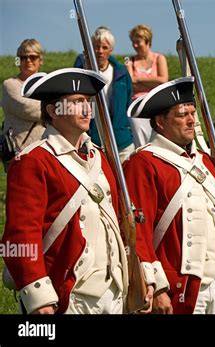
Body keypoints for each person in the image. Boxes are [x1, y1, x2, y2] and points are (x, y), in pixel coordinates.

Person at [1, 68, 153, 314]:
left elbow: (124, 220)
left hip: (115, 292)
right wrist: (37, 293)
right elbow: (21, 235)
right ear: (53, 111)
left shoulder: (102, 158)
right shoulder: (33, 160)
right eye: (76, 103)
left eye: (88, 101)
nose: (86, 109)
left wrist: (145, 274)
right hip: (69, 295)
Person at [123, 77, 215, 314]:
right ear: (160, 121)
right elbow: (137, 230)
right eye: (181, 114)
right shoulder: (143, 162)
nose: (191, 120)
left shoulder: (205, 160)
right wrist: (154, 285)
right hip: (178, 285)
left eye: (192, 113)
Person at [74, 26, 134, 162]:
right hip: (93, 139)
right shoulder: (83, 71)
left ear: (111, 50)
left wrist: (126, 129)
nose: (100, 51)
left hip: (121, 140)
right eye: (96, 47)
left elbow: (128, 104)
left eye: (104, 47)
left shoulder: (121, 73)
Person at [2, 39, 45, 169]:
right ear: (18, 61)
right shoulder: (10, 85)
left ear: (40, 60)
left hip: (46, 152)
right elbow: (27, 108)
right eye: (23, 57)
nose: (28, 61)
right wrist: (54, 109)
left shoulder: (48, 84)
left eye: (33, 57)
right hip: (19, 154)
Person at [126, 24, 169, 148]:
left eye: (138, 42)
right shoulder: (129, 60)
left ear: (147, 41)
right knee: (139, 134)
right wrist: (152, 82)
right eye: (133, 42)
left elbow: (163, 81)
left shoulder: (160, 58)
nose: (135, 45)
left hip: (156, 104)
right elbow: (130, 83)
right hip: (137, 107)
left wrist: (138, 79)